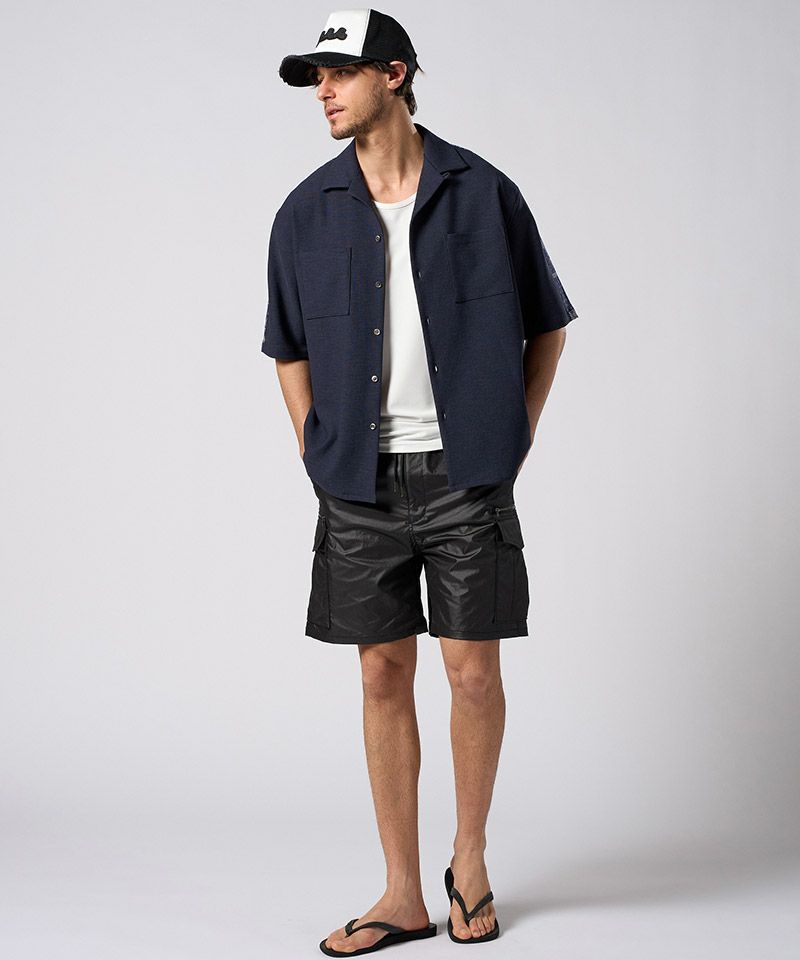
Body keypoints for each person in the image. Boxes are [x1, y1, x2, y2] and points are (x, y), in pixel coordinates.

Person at [262, 9, 579, 956]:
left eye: (339, 72)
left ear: (393, 74)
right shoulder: (305, 212)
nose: (323, 91)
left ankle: (467, 865)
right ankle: (402, 893)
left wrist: (514, 431)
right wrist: (316, 447)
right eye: (315, 77)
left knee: (473, 673)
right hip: (358, 482)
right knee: (380, 672)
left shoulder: (484, 193)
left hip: (466, 474)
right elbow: (287, 347)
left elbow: (548, 323)